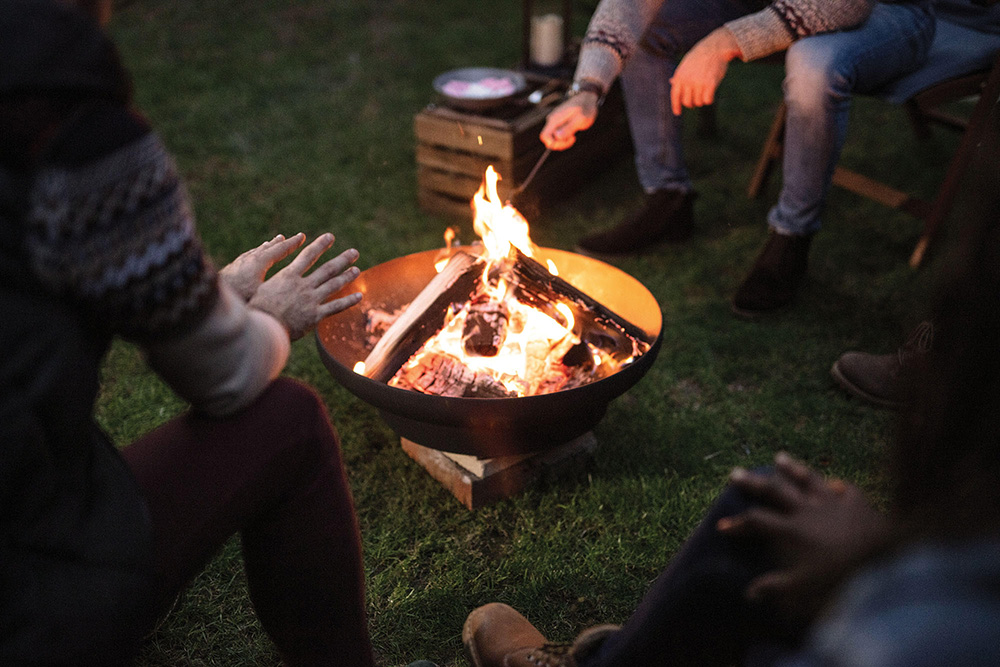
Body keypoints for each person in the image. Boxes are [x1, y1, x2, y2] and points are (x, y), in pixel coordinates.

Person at [463, 85, 1000, 666]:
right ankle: (630, 650)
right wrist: (591, 85)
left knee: (752, 527)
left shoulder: (932, 639)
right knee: (761, 510)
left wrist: (872, 576)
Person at [1, 1, 375, 664]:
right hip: (32, 583)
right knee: (290, 420)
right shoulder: (76, 137)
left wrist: (203, 295)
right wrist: (269, 319)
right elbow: (226, 376)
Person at [540, 0, 936, 317]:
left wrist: (723, 42)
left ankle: (792, 235)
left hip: (888, 11)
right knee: (649, 29)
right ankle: (667, 197)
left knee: (813, 66)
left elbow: (844, 5)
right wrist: (588, 88)